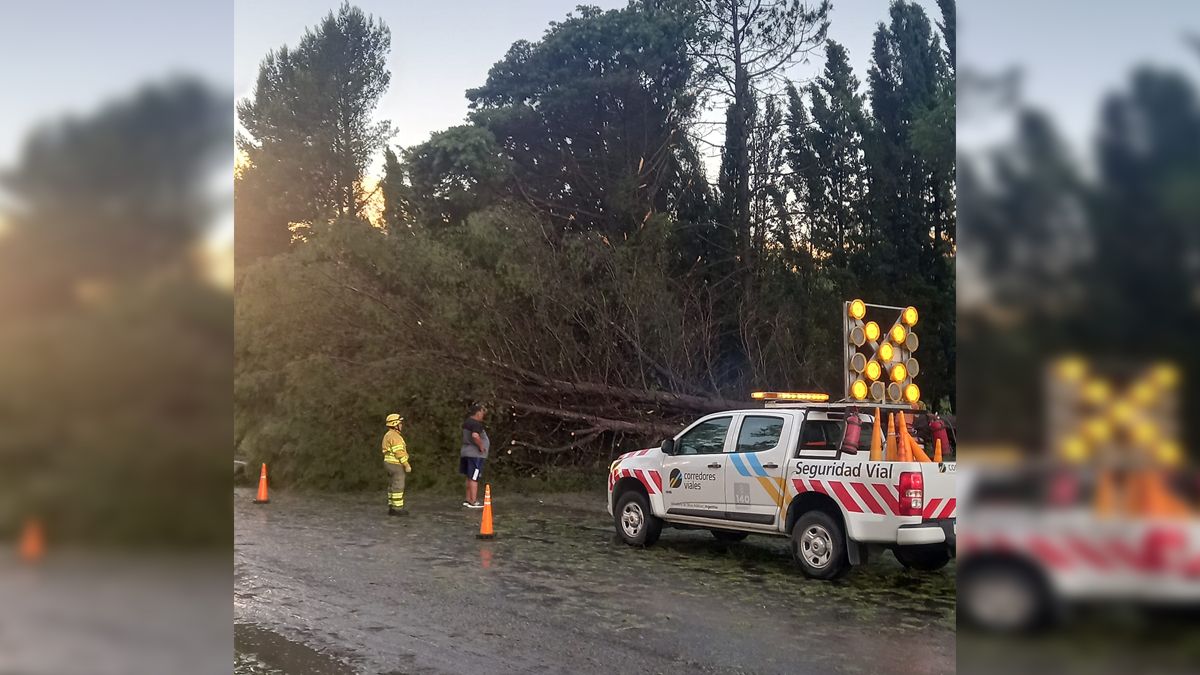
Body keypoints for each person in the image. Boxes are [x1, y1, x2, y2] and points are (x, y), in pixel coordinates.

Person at [459, 404, 489, 508]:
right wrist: (481, 446)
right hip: (475, 455)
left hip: (466, 452)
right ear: (478, 412)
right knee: (474, 477)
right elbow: (475, 435)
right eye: (482, 412)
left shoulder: (467, 422)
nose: (483, 415)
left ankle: (468, 499)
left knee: (469, 477)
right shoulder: (476, 424)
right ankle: (473, 501)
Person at [381, 413, 411, 516]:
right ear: (395, 424)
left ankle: (391, 506)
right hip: (395, 464)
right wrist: (406, 465)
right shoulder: (395, 437)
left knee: (392, 485)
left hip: (388, 463)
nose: (401, 425)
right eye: (400, 423)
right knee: (398, 485)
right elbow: (399, 452)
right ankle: (397, 509)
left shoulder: (388, 435)